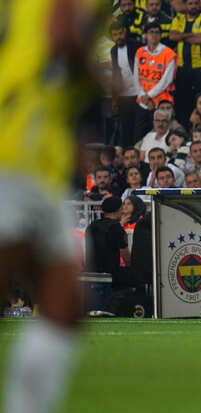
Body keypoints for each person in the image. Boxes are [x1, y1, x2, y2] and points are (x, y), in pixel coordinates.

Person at [1, 5, 101, 410]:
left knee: (64, 306)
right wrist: (105, 84)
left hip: (39, 155)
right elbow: (63, 39)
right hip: (17, 150)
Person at [169, 0, 201, 129]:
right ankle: (184, 128)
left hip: (200, 66)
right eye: (190, 3)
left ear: (199, 5)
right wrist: (191, 35)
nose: (193, 6)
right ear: (186, 5)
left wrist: (181, 36)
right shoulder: (179, 18)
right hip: (182, 66)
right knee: (183, 100)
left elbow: (200, 39)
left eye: (195, 3)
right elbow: (171, 36)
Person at [133, 22, 177, 142]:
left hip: (160, 104)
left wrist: (149, 96)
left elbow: (166, 81)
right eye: (151, 32)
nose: (154, 35)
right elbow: (136, 77)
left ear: (161, 35)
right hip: (142, 102)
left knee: (159, 136)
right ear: (145, 35)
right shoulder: (140, 52)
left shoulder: (168, 54)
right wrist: (143, 97)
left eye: (157, 32)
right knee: (138, 137)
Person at [85, 197, 131, 286]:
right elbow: (126, 258)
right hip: (110, 275)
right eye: (121, 208)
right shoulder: (116, 228)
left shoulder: (91, 226)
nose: (123, 212)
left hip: (91, 273)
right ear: (117, 210)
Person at [110, 22, 142, 148]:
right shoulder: (113, 51)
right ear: (112, 37)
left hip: (139, 93)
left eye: (121, 33)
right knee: (126, 128)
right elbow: (116, 73)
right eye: (115, 35)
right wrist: (115, 98)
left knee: (138, 127)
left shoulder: (136, 46)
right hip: (124, 95)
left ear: (125, 32)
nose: (119, 37)